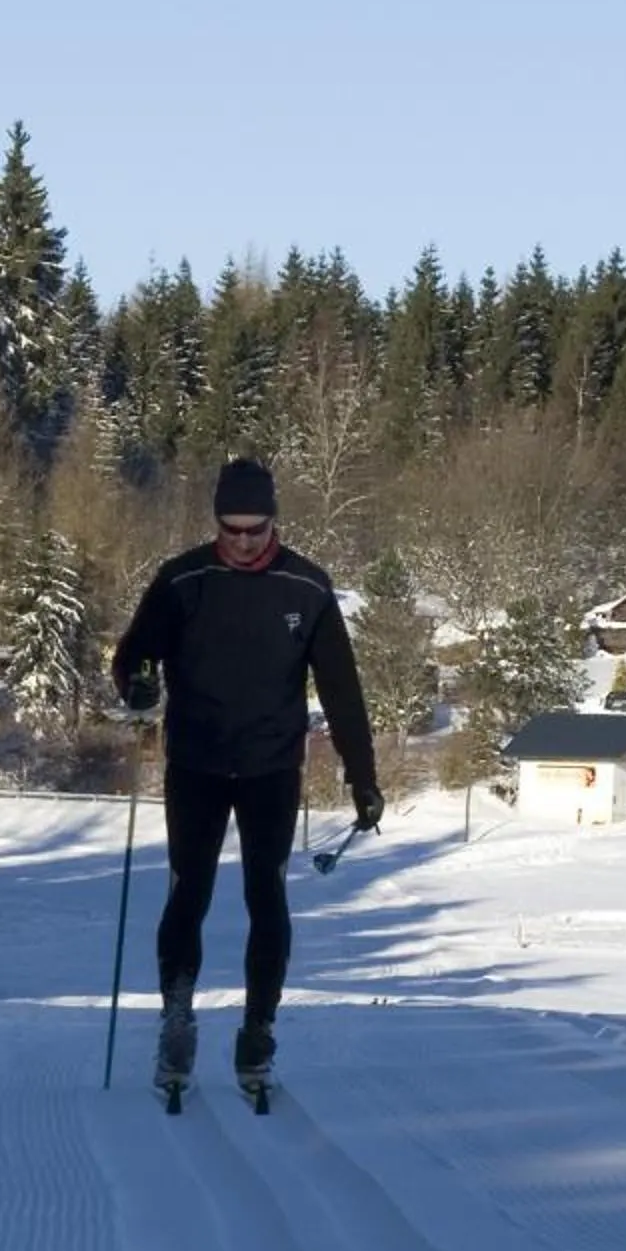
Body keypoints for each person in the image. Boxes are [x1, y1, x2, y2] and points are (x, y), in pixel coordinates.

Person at [112, 457, 383, 1092]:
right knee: (189, 892)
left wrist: (362, 777)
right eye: (230, 529)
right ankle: (177, 1017)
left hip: (270, 768)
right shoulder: (183, 580)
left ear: (273, 523)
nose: (241, 542)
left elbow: (342, 691)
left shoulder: (307, 589)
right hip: (197, 763)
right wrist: (139, 686)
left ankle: (258, 1028)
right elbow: (134, 655)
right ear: (216, 524)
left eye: (254, 530)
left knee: (268, 895)